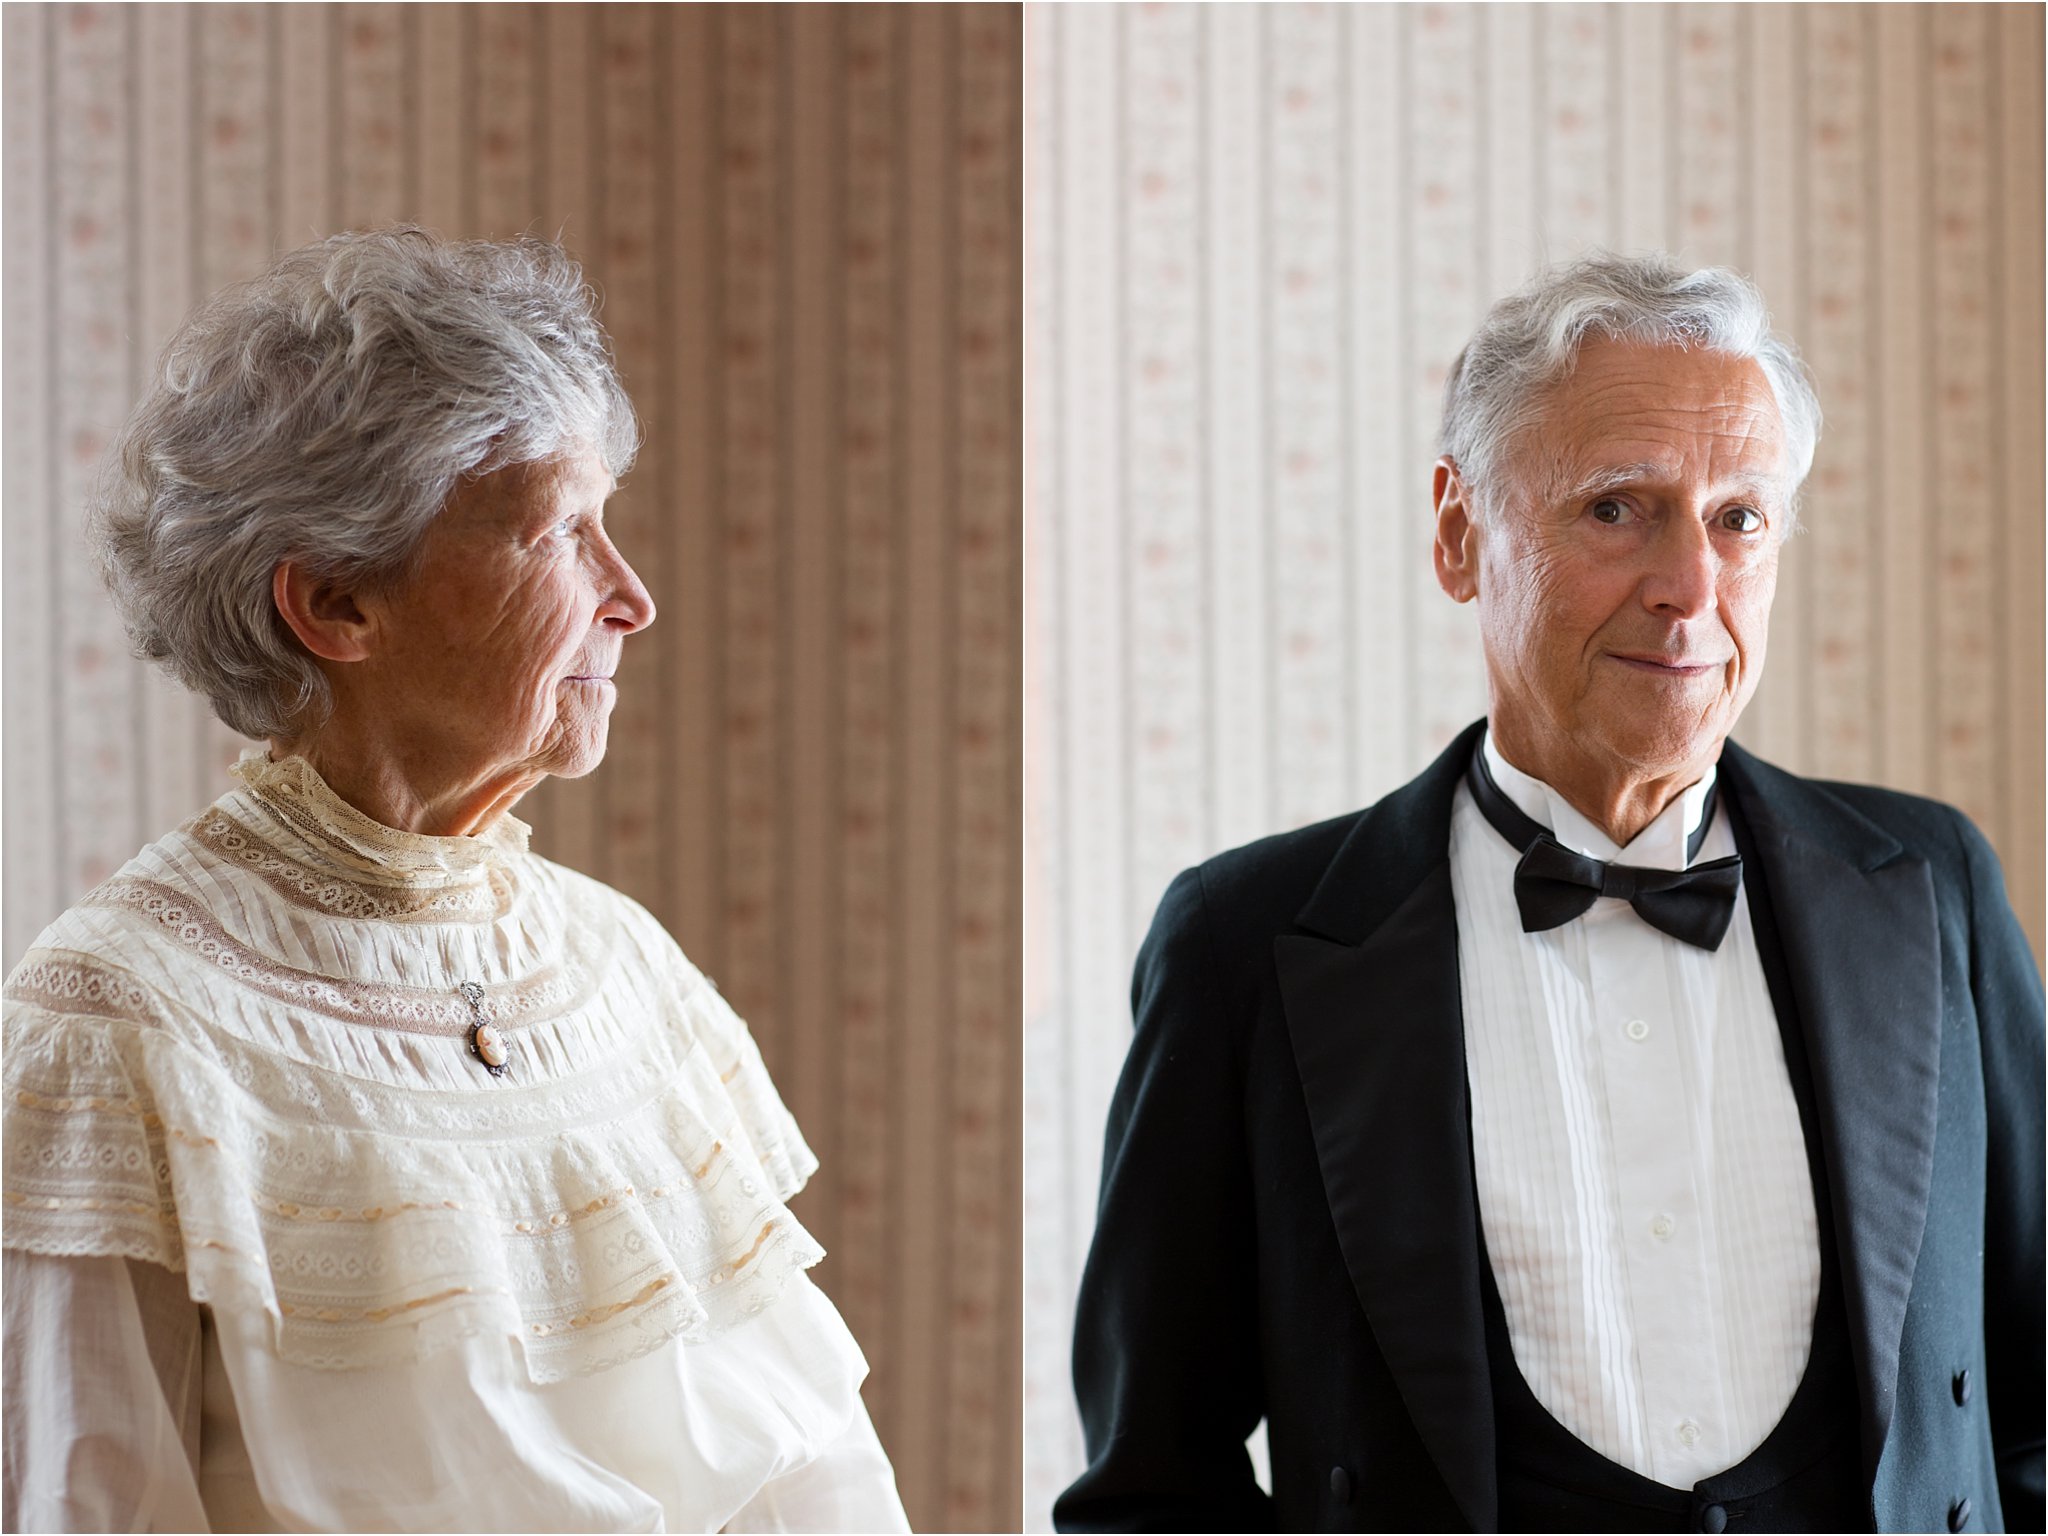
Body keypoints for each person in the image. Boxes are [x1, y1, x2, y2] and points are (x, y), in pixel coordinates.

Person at [1056, 252, 2042, 1534]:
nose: (1690, 587)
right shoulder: (1246, 944)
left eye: (1737, 518)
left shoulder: (1926, 889)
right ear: (1460, 534)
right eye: (1616, 508)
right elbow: (1151, 1486)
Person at [2, 228, 910, 1534]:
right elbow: (86, 1509)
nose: (633, 597)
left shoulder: (622, 973)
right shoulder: (114, 1022)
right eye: (562, 535)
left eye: (617, 526)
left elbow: (818, 1484)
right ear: (335, 605)